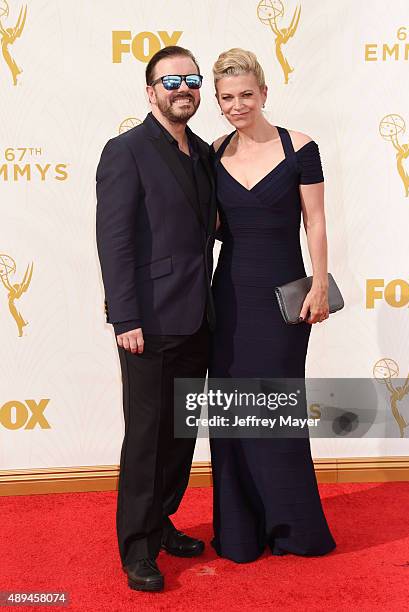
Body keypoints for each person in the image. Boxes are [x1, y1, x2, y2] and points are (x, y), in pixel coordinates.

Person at [96, 46, 216, 592]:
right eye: (171, 81)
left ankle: (162, 521)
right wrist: (125, 316)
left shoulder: (206, 156)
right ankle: (137, 548)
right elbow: (115, 242)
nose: (182, 88)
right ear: (151, 92)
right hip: (147, 322)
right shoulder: (125, 151)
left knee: (181, 434)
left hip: (198, 319)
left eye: (191, 79)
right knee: (146, 437)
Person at [209, 48, 336, 563]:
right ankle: (240, 532)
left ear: (264, 92)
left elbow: (316, 221)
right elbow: (212, 225)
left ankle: (293, 526)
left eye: (245, 94)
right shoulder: (213, 152)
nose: (237, 104)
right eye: (226, 98)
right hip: (229, 295)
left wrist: (320, 285)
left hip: (285, 296)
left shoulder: (300, 147)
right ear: (218, 103)